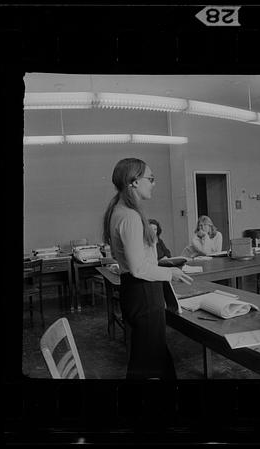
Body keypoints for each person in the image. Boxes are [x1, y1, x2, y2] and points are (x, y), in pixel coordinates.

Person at [102, 158, 193, 379]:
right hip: (143, 292)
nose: (153, 183)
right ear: (133, 182)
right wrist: (171, 272)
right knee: (145, 362)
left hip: (136, 291)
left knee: (155, 356)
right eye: (150, 179)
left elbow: (129, 259)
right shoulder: (131, 217)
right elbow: (139, 268)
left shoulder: (118, 210)